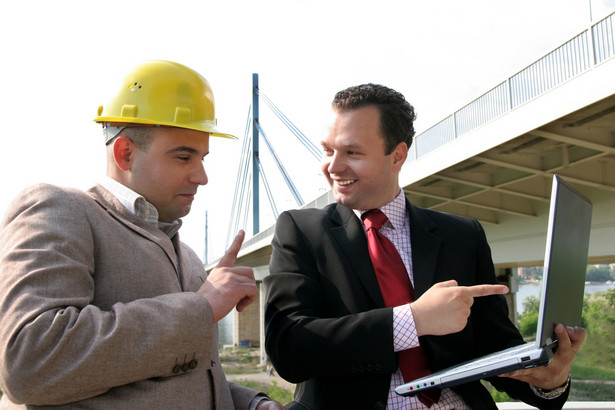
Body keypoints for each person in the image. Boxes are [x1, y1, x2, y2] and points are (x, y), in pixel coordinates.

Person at [263, 83, 585, 409]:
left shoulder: (462, 235)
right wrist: (413, 320)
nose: (333, 166)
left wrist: (550, 380)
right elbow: (289, 348)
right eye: (328, 150)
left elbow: (495, 348)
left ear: (397, 155)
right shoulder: (300, 231)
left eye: (352, 152)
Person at [0, 60, 283, 410]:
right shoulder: (59, 210)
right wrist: (200, 307)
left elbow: (180, 374)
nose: (202, 176)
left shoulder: (190, 259)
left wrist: (251, 403)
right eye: (183, 157)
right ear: (125, 153)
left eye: (203, 158)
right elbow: (30, 362)